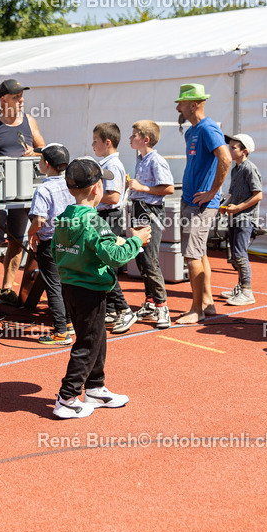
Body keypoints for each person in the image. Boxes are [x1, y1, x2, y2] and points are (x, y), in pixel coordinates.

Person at [52, 157, 151, 419]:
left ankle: (95, 388)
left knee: (96, 338)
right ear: (97, 190)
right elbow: (115, 258)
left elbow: (58, 250)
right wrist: (135, 241)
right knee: (88, 342)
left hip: (70, 287)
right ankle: (67, 397)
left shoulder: (63, 217)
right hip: (90, 289)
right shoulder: (94, 221)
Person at [0, 78, 47, 312]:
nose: (21, 100)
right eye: (17, 97)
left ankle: (6, 289)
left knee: (17, 241)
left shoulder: (30, 121)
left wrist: (34, 152)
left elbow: (44, 151)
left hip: (23, 193)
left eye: (21, 96)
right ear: (4, 99)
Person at [174, 84, 230, 325]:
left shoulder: (208, 129)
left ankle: (196, 309)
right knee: (200, 253)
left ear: (193, 105)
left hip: (199, 204)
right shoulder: (192, 131)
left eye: (182, 103)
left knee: (192, 255)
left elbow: (225, 158)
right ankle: (206, 303)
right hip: (192, 201)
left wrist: (212, 192)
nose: (178, 107)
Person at [127, 120, 174, 329]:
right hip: (139, 209)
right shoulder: (141, 159)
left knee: (150, 259)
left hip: (150, 212)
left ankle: (162, 305)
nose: (130, 138)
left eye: (134, 134)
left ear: (145, 139)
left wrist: (142, 188)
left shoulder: (156, 160)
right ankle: (150, 301)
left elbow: (169, 188)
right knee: (140, 257)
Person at [27, 143, 75, 345]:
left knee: (53, 285)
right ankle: (69, 323)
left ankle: (61, 332)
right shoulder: (71, 184)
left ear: (46, 164)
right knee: (67, 282)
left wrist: (31, 233)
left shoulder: (44, 188)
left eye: (40, 160)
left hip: (50, 242)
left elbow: (39, 219)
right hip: (70, 240)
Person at [91, 123, 134, 333]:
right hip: (106, 215)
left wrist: (91, 195)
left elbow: (114, 196)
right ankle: (109, 307)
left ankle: (124, 308)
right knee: (102, 261)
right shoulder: (106, 163)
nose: (92, 145)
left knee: (105, 262)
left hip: (110, 216)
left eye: (95, 141)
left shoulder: (112, 165)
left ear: (107, 143)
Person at [219, 132, 262, 307]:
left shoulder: (250, 168)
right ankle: (240, 287)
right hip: (235, 217)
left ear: (244, 151)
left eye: (233, 147)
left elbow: (258, 195)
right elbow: (234, 194)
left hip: (245, 219)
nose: (230, 150)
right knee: (236, 255)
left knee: (240, 254)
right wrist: (226, 205)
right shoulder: (236, 168)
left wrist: (237, 208)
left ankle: (247, 291)